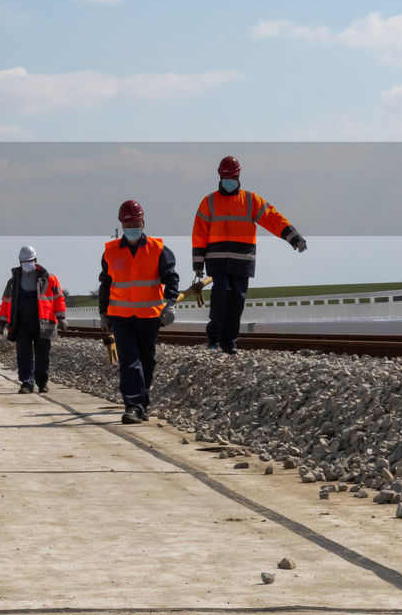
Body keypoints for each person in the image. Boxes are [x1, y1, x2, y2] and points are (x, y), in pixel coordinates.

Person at [192, 156, 307, 354]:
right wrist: (198, 264)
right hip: (217, 261)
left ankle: (229, 344)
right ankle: (214, 340)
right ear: (220, 176)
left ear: (238, 176)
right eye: (226, 177)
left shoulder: (251, 200)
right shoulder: (209, 202)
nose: (229, 180)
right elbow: (199, 233)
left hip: (242, 262)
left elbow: (273, 218)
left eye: (232, 176)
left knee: (236, 302)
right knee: (221, 296)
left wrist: (293, 237)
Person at [98, 200, 179, 424]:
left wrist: (170, 304)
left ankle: (142, 403)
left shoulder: (158, 249)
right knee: (129, 361)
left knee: (147, 361)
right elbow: (105, 283)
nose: (132, 226)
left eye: (136, 222)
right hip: (120, 317)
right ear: (122, 225)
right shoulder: (111, 251)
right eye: (128, 223)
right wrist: (103, 312)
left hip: (149, 317)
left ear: (143, 222)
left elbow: (171, 277)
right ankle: (132, 407)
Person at [0, 246, 68, 394]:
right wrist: (1, 321)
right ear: (20, 262)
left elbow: (58, 298)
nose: (27, 264)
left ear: (35, 260)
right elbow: (6, 302)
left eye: (29, 261)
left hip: (44, 322)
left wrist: (61, 317)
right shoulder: (13, 281)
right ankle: (26, 383)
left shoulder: (49, 278)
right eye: (24, 261)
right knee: (24, 353)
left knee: (43, 353)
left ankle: (42, 383)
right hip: (21, 323)